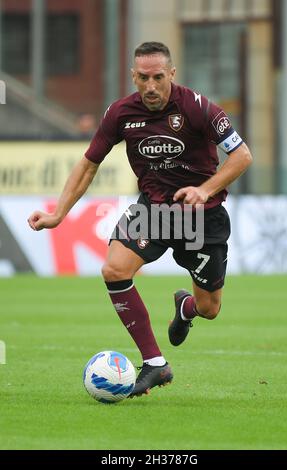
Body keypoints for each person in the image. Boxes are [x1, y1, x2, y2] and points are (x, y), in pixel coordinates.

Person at [28, 42, 252, 398]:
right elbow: (89, 164)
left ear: (171, 75)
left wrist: (205, 190)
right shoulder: (119, 113)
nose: (150, 86)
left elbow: (241, 156)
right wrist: (58, 213)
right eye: (143, 78)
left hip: (201, 218)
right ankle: (154, 363)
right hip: (154, 211)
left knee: (209, 308)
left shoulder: (198, 108)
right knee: (114, 270)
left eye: (158, 77)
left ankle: (185, 308)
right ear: (133, 75)